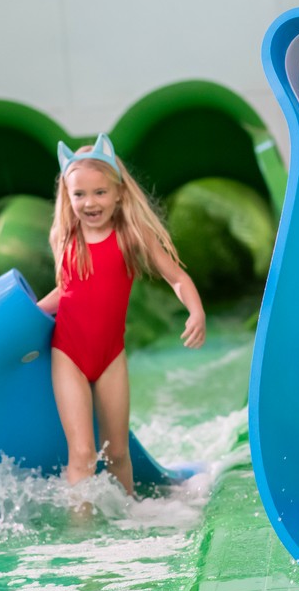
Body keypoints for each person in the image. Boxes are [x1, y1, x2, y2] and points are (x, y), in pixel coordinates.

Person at [37, 133, 206, 496]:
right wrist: (28, 315)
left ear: (118, 193)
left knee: (117, 453)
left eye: (99, 192)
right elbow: (68, 290)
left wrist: (196, 310)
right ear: (67, 195)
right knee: (82, 454)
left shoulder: (130, 236)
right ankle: (81, 526)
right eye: (79, 194)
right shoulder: (65, 236)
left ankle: (128, 522)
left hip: (110, 357)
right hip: (68, 354)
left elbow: (176, 278)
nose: (90, 202)